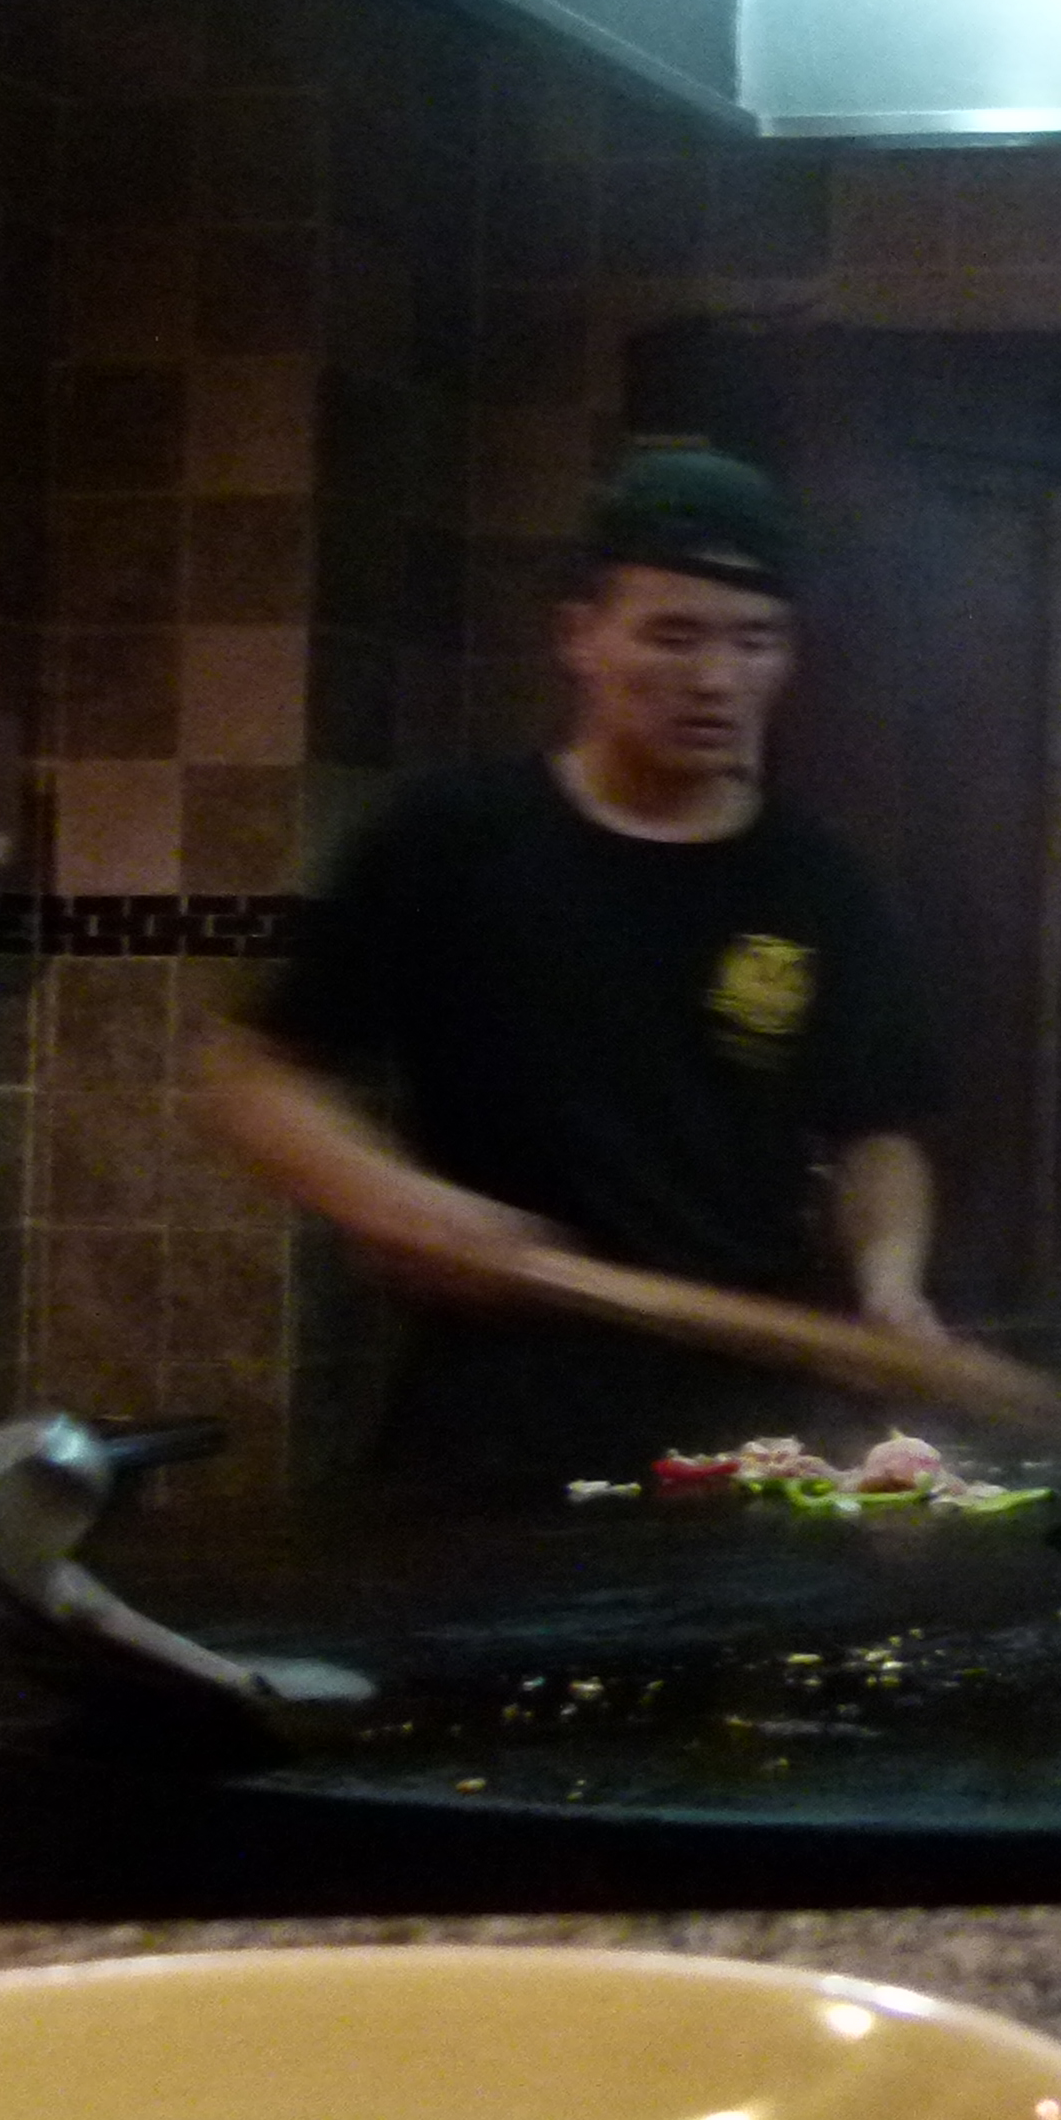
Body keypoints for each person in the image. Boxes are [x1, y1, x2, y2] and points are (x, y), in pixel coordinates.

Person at [202, 447, 948, 1494]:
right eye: (674, 635)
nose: (718, 679)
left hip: (746, 1425)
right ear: (579, 635)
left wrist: (888, 1282)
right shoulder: (450, 840)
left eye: (755, 640)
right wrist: (393, 1197)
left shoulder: (819, 881)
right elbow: (253, 1074)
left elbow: (877, 1127)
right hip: (491, 1412)